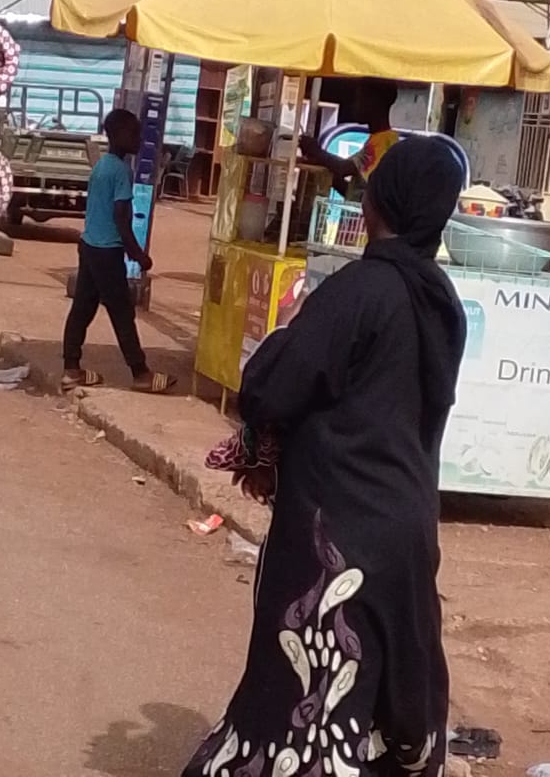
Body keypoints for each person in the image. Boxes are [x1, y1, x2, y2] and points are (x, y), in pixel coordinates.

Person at [183, 137, 467, 777]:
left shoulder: (360, 291)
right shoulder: (441, 301)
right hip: (406, 521)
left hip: (337, 523)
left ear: (381, 201)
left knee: (310, 683)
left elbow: (273, 385)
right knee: (379, 677)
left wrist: (284, 335)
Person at [61, 109, 175, 394]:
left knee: (82, 308)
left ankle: (71, 369)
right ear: (118, 136)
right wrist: (138, 255)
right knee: (122, 312)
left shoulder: (102, 166)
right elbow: (121, 218)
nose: (139, 139)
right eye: (134, 134)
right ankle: (140, 372)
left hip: (89, 246)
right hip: (107, 252)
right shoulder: (122, 171)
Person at [300, 78, 399, 201]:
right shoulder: (381, 139)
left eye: (359, 99)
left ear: (374, 102)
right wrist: (325, 168)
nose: (354, 105)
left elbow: (342, 168)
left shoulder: (382, 143)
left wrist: (316, 150)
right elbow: (355, 194)